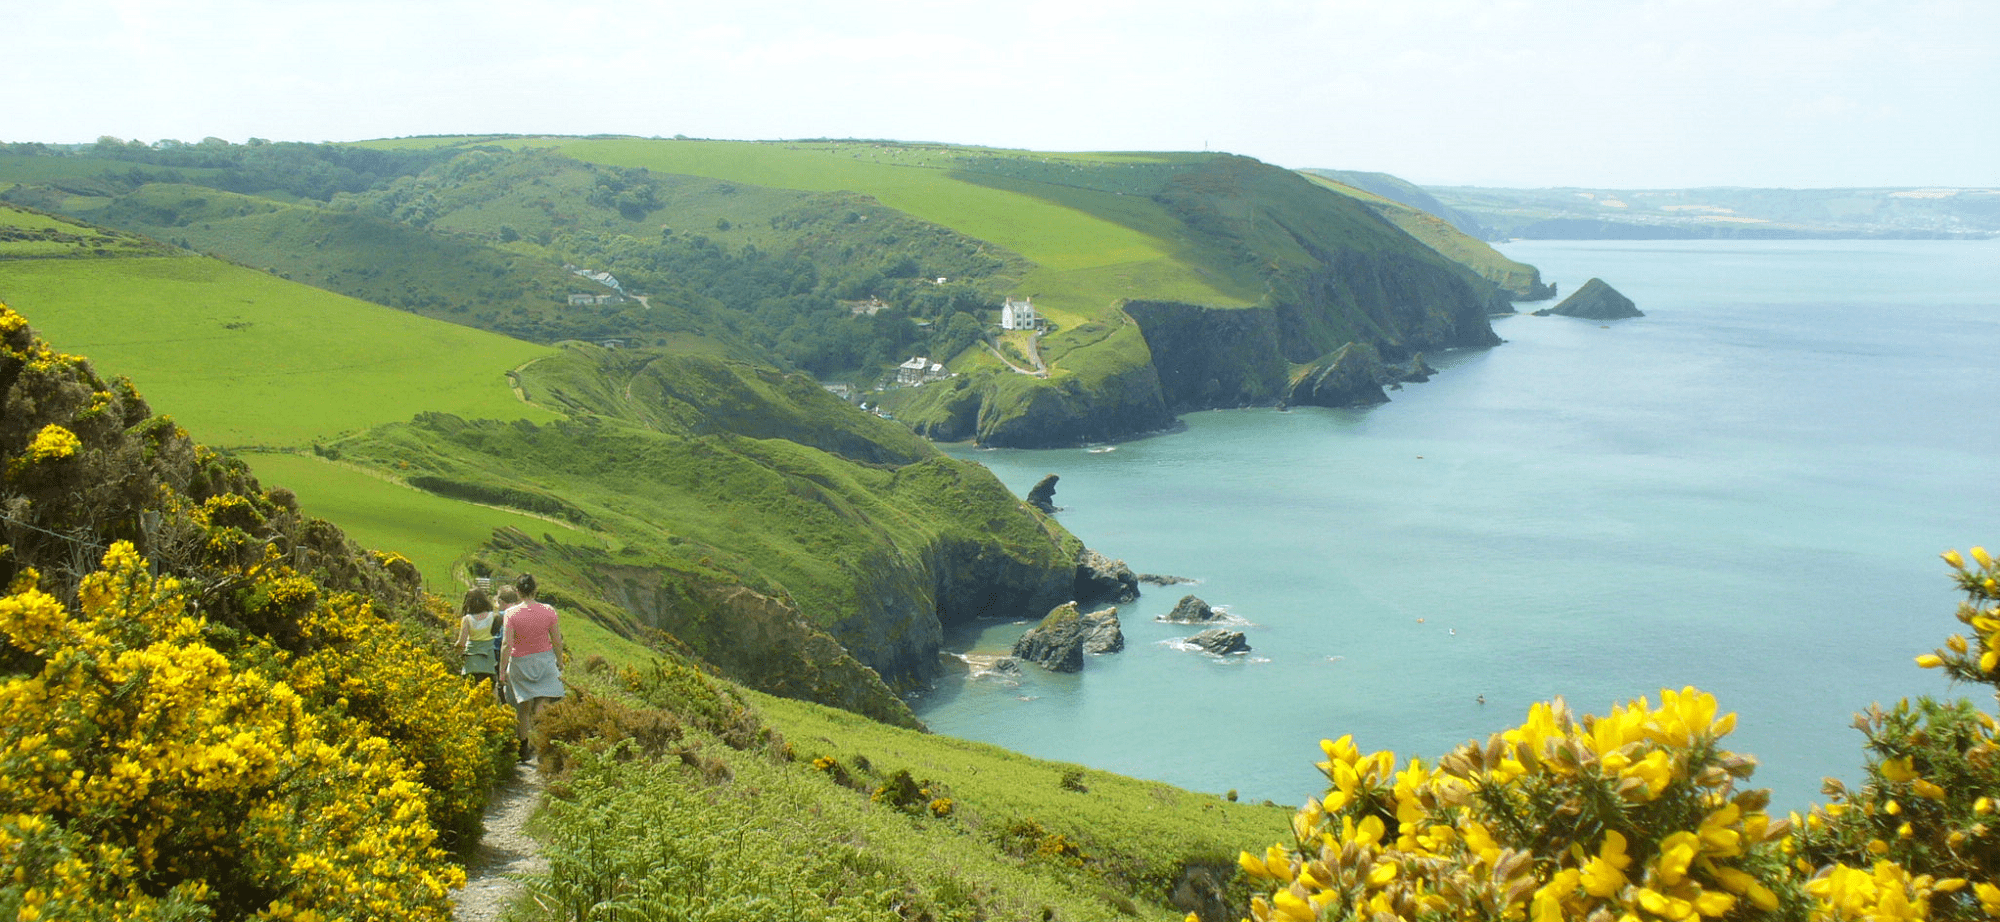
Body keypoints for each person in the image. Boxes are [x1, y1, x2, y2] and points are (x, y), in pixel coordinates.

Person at [497, 573, 563, 763]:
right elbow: (557, 640)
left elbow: (506, 645)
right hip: (544, 661)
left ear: (517, 592)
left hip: (520, 662)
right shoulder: (549, 610)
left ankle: (523, 748)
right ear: (535, 590)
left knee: (523, 707)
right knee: (542, 701)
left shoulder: (511, 613)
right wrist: (560, 661)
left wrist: (502, 671)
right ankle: (543, 745)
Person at [453, 588, 499, 691]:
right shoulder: (493, 616)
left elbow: (462, 642)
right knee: (490, 691)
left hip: (472, 662)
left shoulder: (467, 619)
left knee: (471, 692)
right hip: (489, 661)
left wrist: (455, 650)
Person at [492, 585, 520, 706]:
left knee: (500, 680)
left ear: (501, 602)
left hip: (499, 651)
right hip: (517, 652)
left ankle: (503, 705)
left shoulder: (499, 615)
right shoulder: (519, 613)